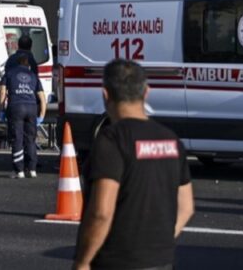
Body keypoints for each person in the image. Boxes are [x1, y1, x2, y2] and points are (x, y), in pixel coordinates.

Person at [73, 59, 194, 270]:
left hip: (116, 261)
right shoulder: (171, 140)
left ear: (105, 95)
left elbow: (101, 213)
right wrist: (156, 244)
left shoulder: (111, 140)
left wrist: (82, 262)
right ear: (146, 92)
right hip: (161, 261)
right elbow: (186, 207)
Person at [0, 54, 45, 178]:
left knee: (17, 138)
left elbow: (3, 92)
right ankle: (32, 169)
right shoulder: (34, 76)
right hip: (31, 108)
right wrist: (42, 115)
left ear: (17, 64)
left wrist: (2, 110)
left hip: (16, 107)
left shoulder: (9, 73)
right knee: (30, 139)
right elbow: (42, 98)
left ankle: (19, 171)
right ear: (28, 65)